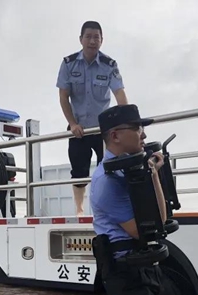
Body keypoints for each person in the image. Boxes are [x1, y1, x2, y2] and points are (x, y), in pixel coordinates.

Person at [90, 104, 169, 295]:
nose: (143, 135)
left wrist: (154, 173)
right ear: (115, 136)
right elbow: (145, 229)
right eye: (137, 129)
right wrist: (154, 176)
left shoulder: (127, 169)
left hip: (142, 263)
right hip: (125, 270)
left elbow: (161, 219)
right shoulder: (107, 182)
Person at [56, 20, 129, 216]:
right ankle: (79, 210)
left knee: (108, 170)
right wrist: (72, 123)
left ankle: (104, 208)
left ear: (102, 40)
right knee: (78, 172)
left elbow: (120, 95)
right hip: (78, 128)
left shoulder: (109, 65)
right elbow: (63, 97)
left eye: (96, 37)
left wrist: (127, 122)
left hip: (102, 129)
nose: (92, 41)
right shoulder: (69, 64)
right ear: (81, 39)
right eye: (88, 36)